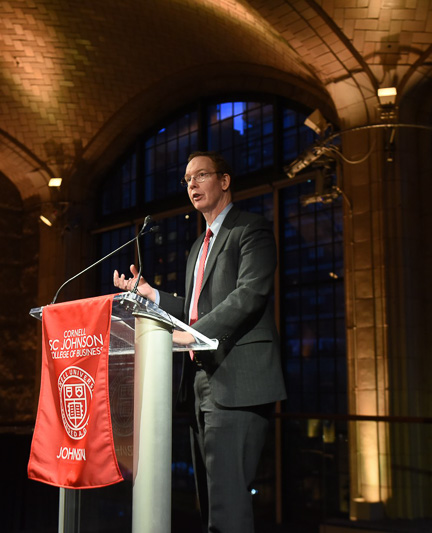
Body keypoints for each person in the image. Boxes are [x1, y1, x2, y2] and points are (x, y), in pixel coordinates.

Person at [113, 151, 286, 533]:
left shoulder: (251, 230)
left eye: (201, 175)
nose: (191, 184)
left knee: (228, 504)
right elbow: (193, 309)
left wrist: (192, 333)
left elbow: (249, 295)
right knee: (208, 501)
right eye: (187, 179)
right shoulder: (197, 248)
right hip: (199, 384)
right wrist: (151, 295)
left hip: (239, 382)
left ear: (224, 181)